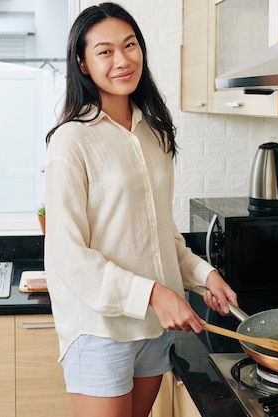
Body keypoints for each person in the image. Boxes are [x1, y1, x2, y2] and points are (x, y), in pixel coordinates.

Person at [43, 3, 238, 417]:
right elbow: (67, 254)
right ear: (82, 63)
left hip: (154, 329)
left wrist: (206, 276)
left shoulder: (154, 134)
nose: (122, 60)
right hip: (101, 330)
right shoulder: (72, 141)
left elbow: (159, 236)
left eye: (129, 45)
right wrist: (152, 293)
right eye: (105, 51)